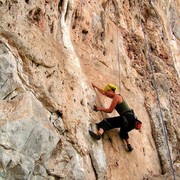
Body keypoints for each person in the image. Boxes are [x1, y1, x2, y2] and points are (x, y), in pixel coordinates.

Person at [89, 83, 138, 152]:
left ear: (112, 90)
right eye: (106, 93)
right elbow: (103, 92)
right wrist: (96, 87)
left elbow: (110, 110)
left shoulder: (116, 97)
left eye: (108, 92)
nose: (107, 94)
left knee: (106, 121)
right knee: (123, 132)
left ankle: (98, 135)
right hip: (132, 122)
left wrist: (100, 108)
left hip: (126, 118)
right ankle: (129, 145)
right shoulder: (117, 97)